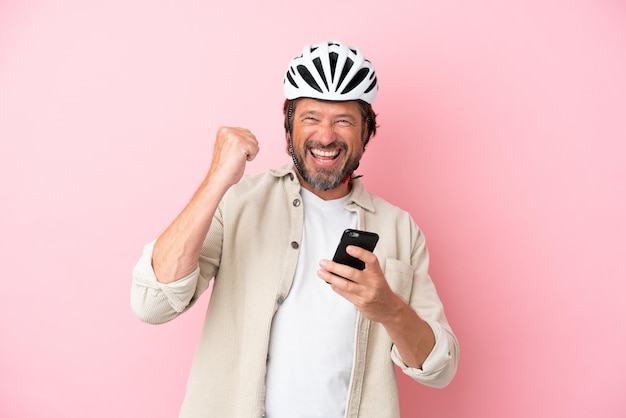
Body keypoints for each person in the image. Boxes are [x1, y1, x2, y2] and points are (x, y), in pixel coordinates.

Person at [131, 40, 459, 418]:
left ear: (367, 129)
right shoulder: (238, 201)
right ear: (288, 122)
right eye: (311, 117)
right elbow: (151, 304)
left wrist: (389, 309)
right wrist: (217, 179)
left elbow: (440, 369)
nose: (325, 136)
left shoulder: (401, 229)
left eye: (343, 121)